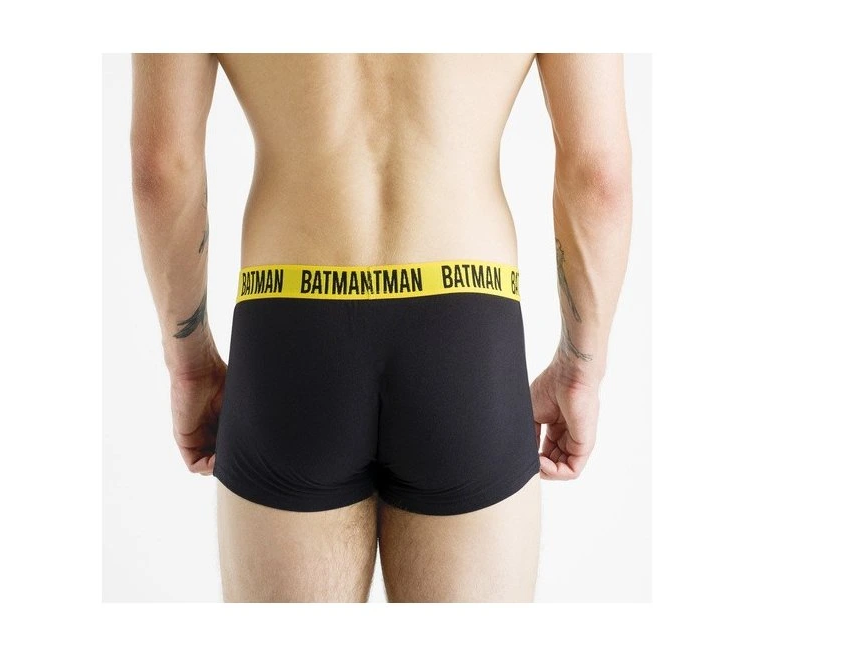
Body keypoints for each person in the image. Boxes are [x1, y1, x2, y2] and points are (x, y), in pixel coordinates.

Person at [130, 53, 632, 602]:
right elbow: (598, 177)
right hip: (466, 334)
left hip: (290, 328)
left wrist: (189, 365)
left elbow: (162, 168)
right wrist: (580, 370)